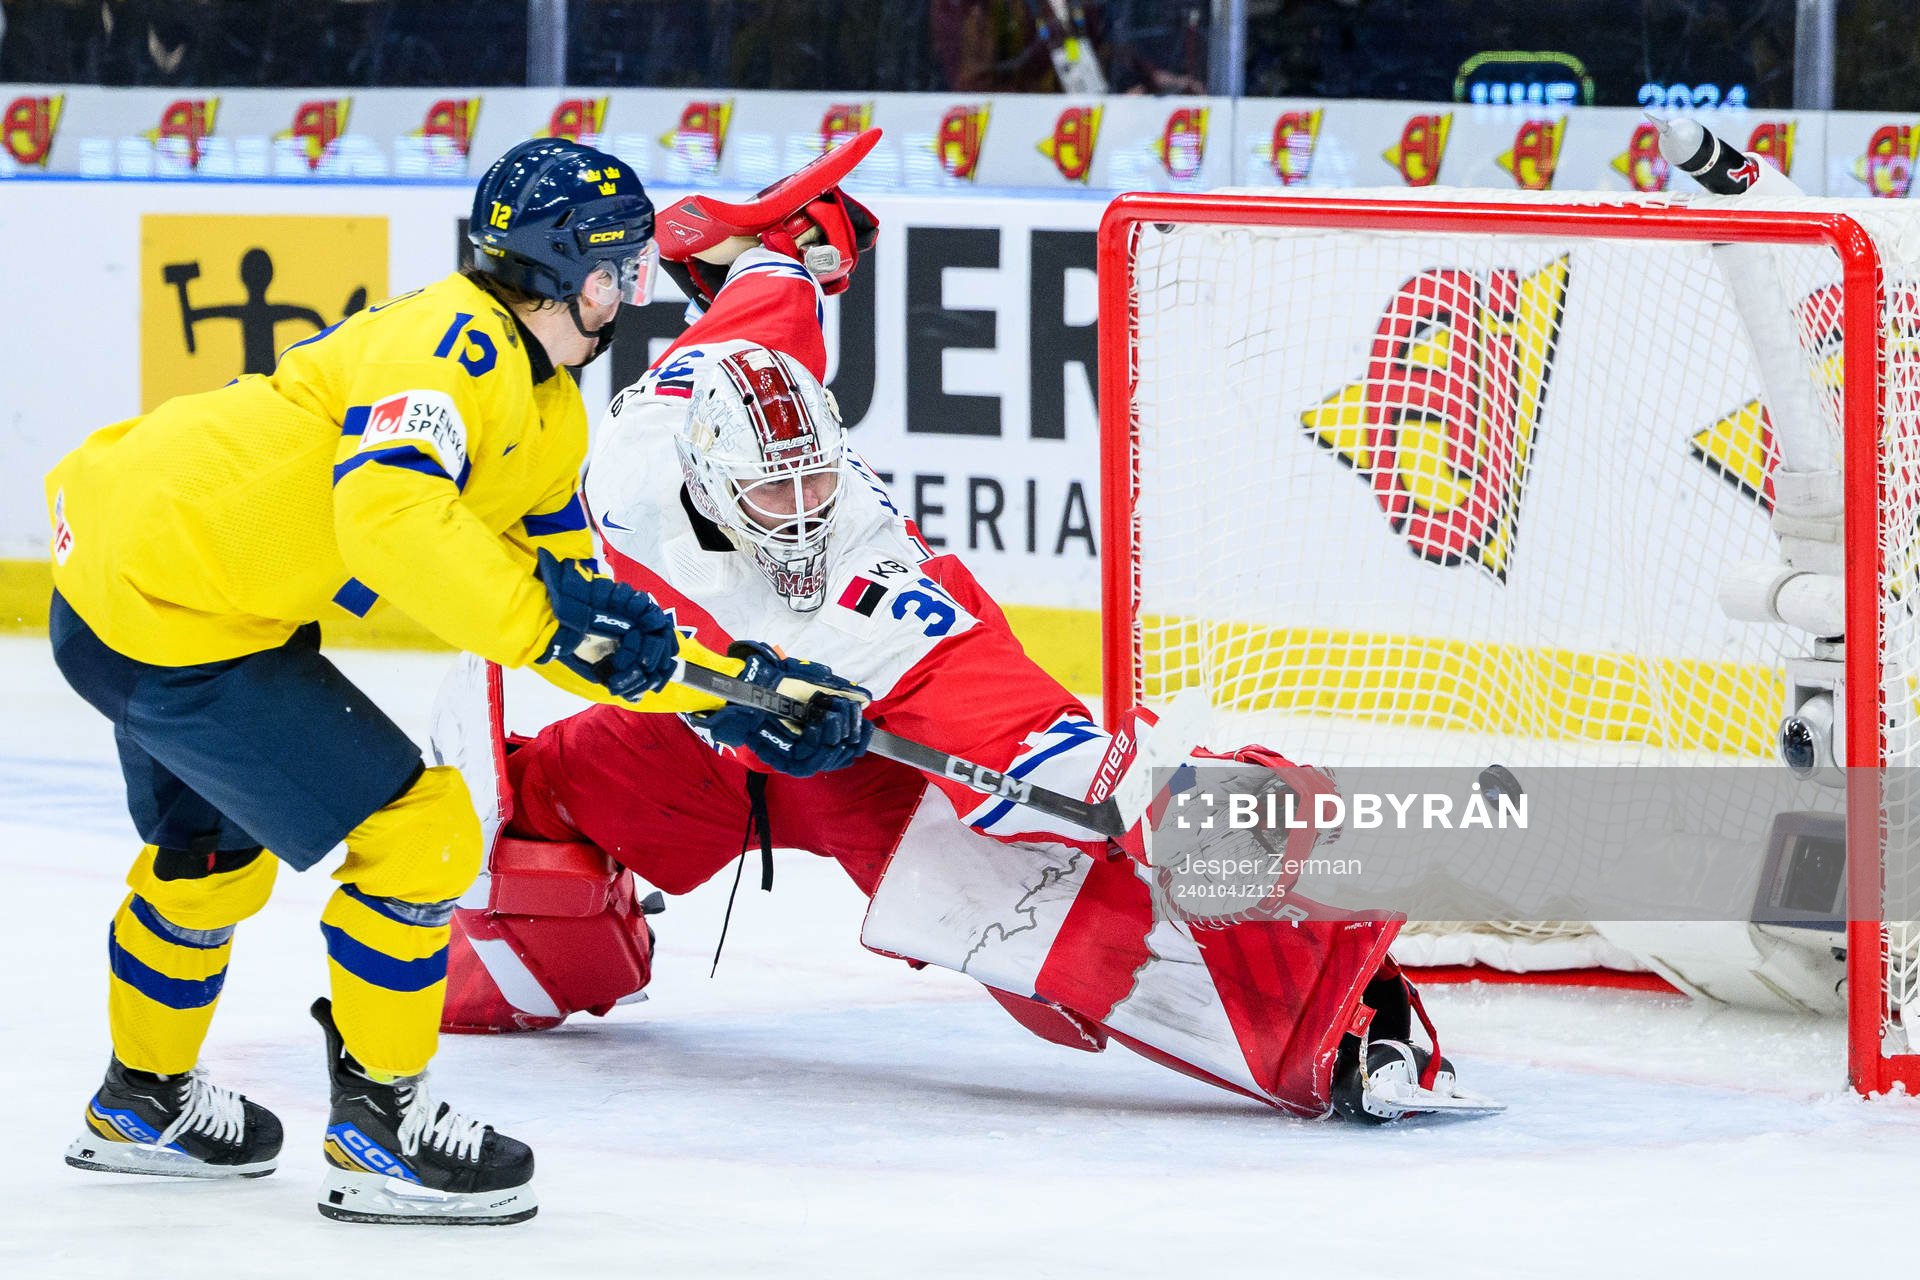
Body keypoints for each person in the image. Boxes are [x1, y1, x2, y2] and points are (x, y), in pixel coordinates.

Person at [434, 150, 1494, 1123]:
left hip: (853, 760)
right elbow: (762, 301)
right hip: (701, 734)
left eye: (818, 480)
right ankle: (434, 975)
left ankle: (1333, 1018)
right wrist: (776, 247)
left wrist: (1181, 806)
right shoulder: (634, 469)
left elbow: (1059, 757)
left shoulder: (887, 590)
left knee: (1028, 918)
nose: (804, 511)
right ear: (710, 476)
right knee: (527, 840)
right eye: (773, 492)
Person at [45, 135, 870, 1224]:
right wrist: (552, 622)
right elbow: (388, 521)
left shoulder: (542, 403)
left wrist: (745, 692)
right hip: (174, 616)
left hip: (141, 575)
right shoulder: (454, 351)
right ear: (568, 271)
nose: (630, 290)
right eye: (617, 267)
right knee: (424, 829)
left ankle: (140, 1103)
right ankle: (380, 1127)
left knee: (210, 854)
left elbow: (603, 613)